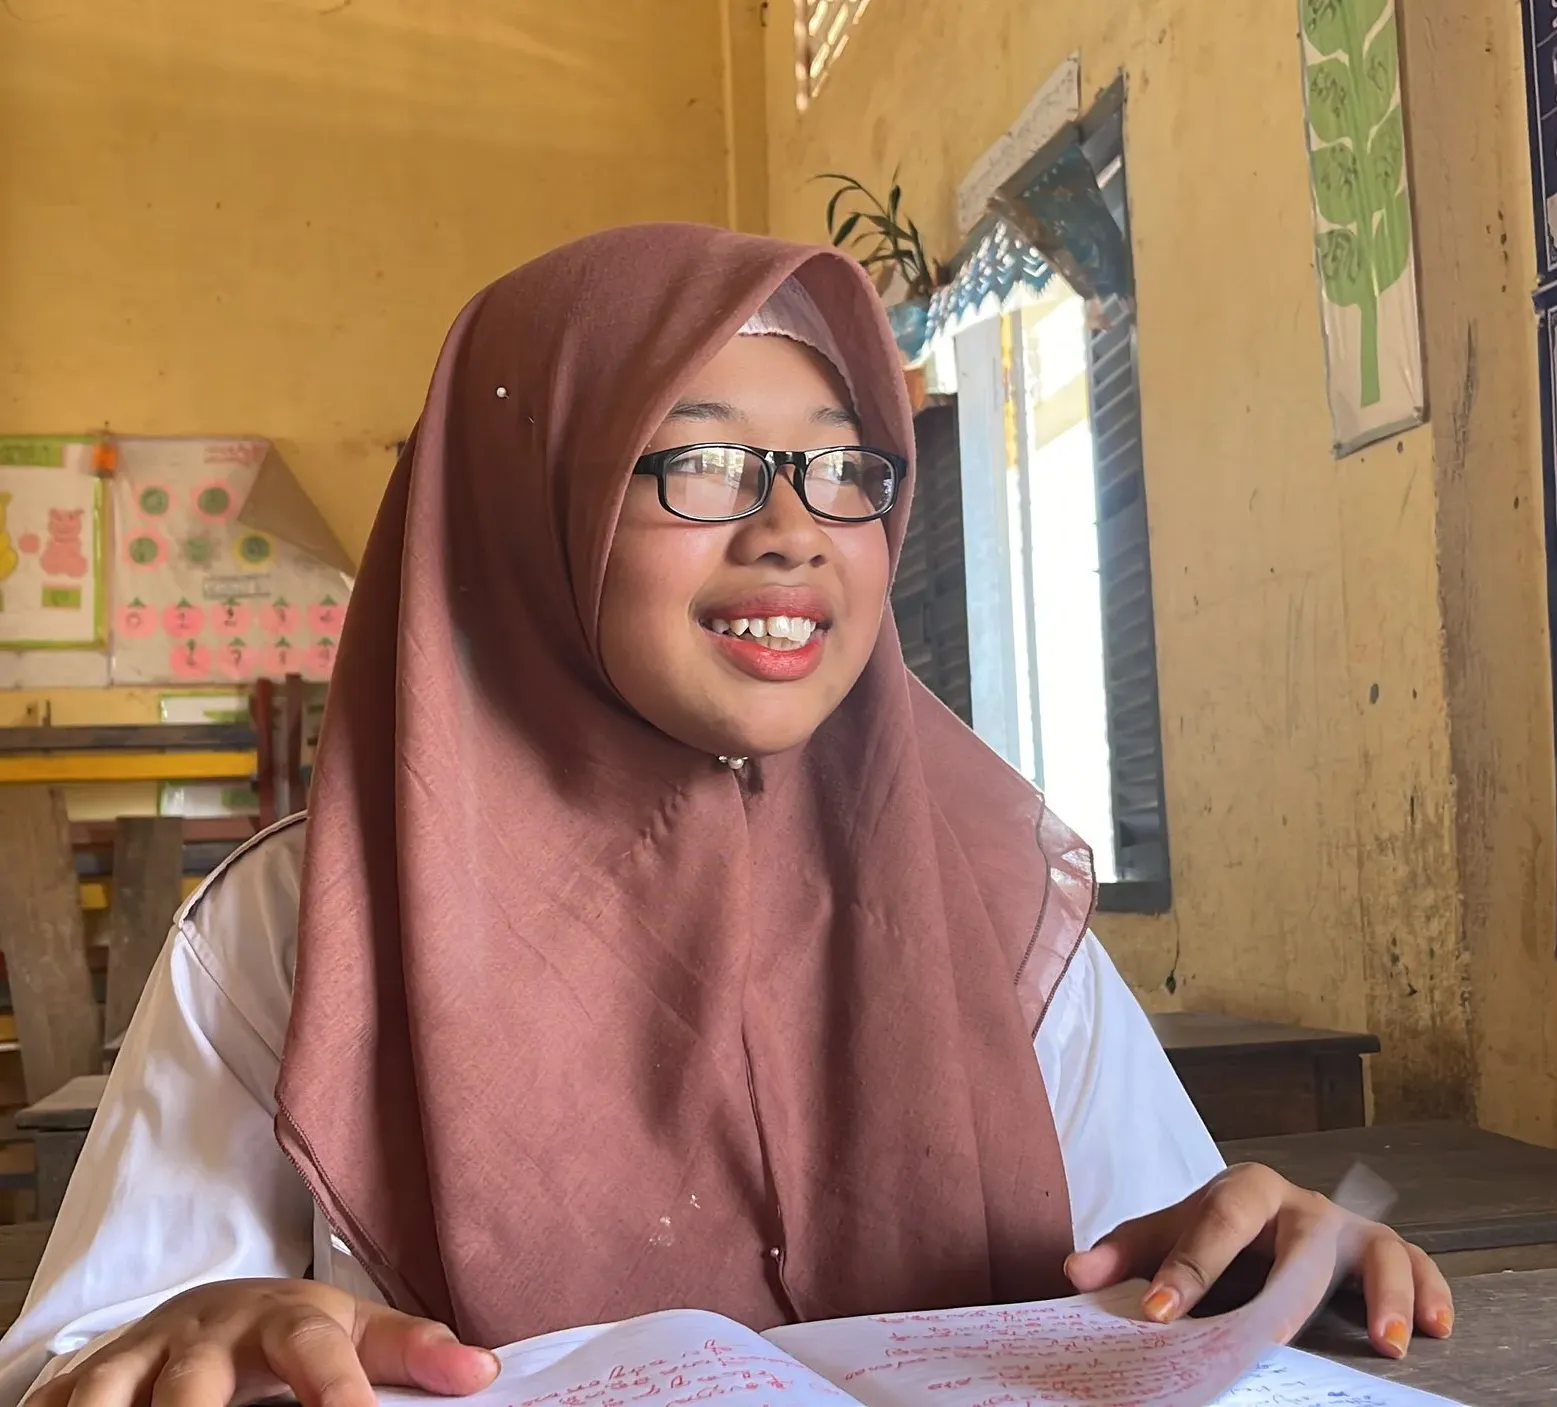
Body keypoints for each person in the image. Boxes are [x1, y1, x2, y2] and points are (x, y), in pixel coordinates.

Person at [0, 226, 1451, 1407]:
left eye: (844, 465)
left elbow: (1171, 1266)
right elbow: (89, 1358)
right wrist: (199, 1334)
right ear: (528, 512)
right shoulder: (300, 923)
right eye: (697, 462)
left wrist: (1276, 1267)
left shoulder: (985, 880)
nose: (794, 528)